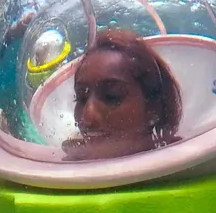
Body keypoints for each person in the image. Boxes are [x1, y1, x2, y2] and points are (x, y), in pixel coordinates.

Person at [61, 28, 183, 161]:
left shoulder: (183, 162)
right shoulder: (66, 167)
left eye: (112, 96)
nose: (87, 118)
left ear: (153, 107)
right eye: (81, 98)